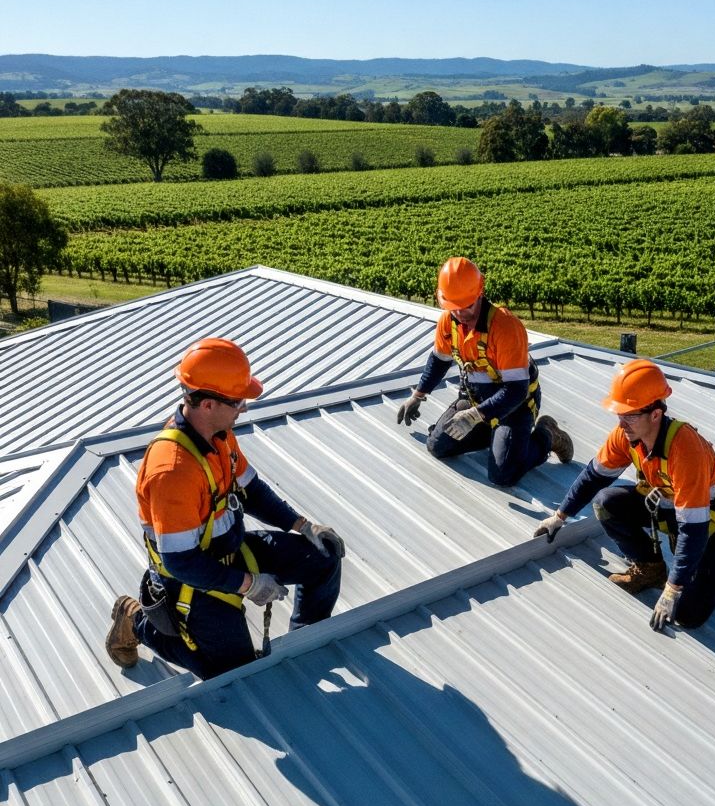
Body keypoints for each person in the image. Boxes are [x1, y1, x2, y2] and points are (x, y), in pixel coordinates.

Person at [105, 337, 344, 679]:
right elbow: (182, 561)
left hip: (231, 549)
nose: (243, 408)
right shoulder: (171, 470)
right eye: (238, 401)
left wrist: (303, 526)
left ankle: (304, 645)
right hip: (193, 574)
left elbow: (252, 490)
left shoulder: (219, 435)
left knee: (323, 558)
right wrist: (250, 585)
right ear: (207, 405)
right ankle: (136, 620)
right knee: (231, 671)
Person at [534, 359, 715, 631]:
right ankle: (650, 569)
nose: (621, 423)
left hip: (710, 522)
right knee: (606, 503)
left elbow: (693, 529)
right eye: (619, 414)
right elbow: (593, 477)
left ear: (655, 414)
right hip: (672, 509)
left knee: (688, 614)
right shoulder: (626, 435)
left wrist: (672, 590)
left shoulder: (685, 448)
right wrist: (559, 516)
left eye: (629, 415)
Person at [396, 256, 573, 485]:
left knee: (503, 474)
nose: (459, 313)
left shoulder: (505, 326)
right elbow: (439, 360)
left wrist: (474, 416)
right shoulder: (448, 323)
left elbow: (516, 390)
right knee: (437, 445)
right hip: (475, 399)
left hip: (514, 406)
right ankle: (497, 437)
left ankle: (547, 436)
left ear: (480, 293)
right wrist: (418, 396)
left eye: (466, 306)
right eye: (453, 307)